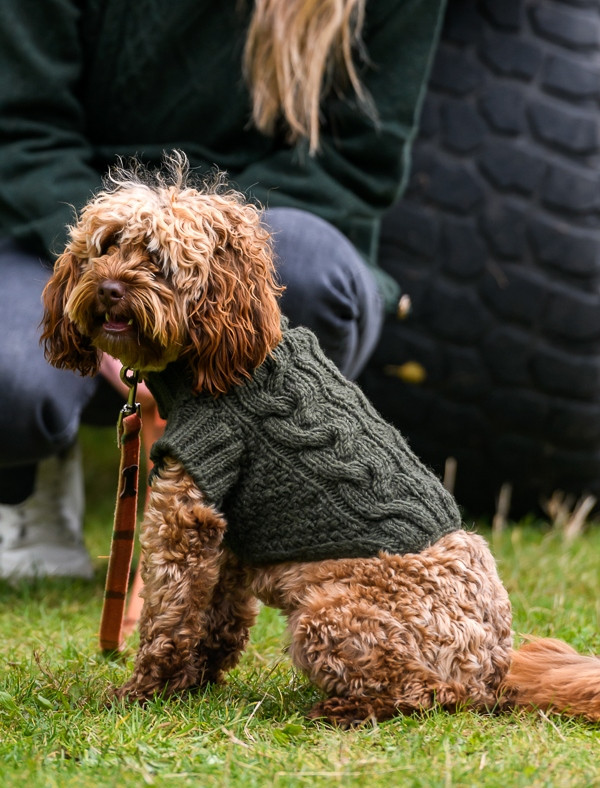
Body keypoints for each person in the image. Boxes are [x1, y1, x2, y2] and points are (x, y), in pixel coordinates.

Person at [0, 0, 446, 577]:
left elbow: (357, 161)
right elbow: (20, 129)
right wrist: (111, 254)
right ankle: (30, 480)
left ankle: (242, 492)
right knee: (13, 382)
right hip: (64, 215)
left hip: (262, 221)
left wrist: (191, 250)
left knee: (315, 280)